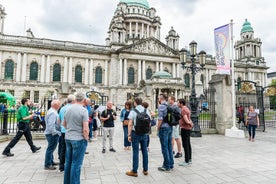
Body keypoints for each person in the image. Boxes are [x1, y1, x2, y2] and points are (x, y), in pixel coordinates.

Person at [63, 92, 89, 184]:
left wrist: (71, 129)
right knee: (76, 164)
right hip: (78, 139)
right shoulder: (83, 110)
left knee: (68, 162)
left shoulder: (68, 109)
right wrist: (86, 138)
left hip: (68, 137)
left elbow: (64, 124)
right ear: (84, 100)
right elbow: (85, 128)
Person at [126, 97, 150, 177]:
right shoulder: (146, 110)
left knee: (135, 152)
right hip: (144, 133)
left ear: (135, 102)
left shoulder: (133, 111)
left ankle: (134, 171)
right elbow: (149, 122)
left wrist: (129, 135)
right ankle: (145, 170)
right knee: (145, 151)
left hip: (135, 133)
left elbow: (130, 123)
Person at [58, 94, 76, 172]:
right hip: (71, 131)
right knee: (72, 149)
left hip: (63, 131)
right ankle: (70, 166)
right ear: (73, 101)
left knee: (63, 149)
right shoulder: (73, 108)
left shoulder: (62, 108)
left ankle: (61, 167)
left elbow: (58, 121)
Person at [157, 93, 174, 172]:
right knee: (169, 146)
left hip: (164, 128)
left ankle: (167, 166)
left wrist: (158, 128)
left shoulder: (161, 106)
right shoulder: (169, 105)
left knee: (164, 147)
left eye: (159, 98)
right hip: (170, 127)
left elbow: (160, 119)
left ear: (161, 98)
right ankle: (171, 164)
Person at [44, 99, 61, 170]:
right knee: (50, 149)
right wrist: (56, 133)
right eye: (59, 104)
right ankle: (47, 164)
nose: (60, 105)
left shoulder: (52, 111)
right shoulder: (52, 113)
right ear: (55, 105)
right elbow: (51, 125)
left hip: (51, 133)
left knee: (51, 148)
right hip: (52, 134)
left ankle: (51, 161)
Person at [178, 98, 193, 166]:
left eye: (178, 103)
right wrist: (191, 123)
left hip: (185, 128)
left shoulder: (183, 110)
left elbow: (186, 120)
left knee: (185, 145)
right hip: (188, 129)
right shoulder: (187, 108)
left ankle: (186, 160)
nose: (177, 104)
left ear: (181, 103)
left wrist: (189, 123)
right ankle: (189, 159)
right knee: (188, 144)